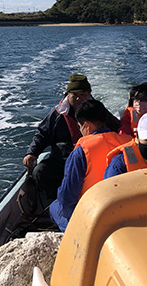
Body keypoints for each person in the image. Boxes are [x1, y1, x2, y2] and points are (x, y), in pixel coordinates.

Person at [23, 74, 121, 200]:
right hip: (62, 161)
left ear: (89, 94)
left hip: (91, 161)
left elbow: (116, 128)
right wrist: (32, 153)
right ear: (68, 95)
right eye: (75, 95)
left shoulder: (98, 111)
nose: (79, 99)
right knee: (40, 172)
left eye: (83, 95)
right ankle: (58, 202)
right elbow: (42, 134)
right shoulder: (58, 113)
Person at [49, 99, 132, 231]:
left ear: (86, 126)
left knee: (55, 207)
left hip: (93, 214)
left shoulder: (82, 151)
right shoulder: (129, 143)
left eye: (79, 126)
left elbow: (68, 197)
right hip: (125, 211)